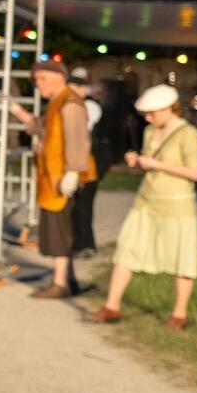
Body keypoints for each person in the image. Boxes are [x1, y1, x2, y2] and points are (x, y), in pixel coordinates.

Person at [89, 84, 197, 328]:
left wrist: (156, 165)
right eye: (146, 114)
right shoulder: (150, 132)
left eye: (152, 113)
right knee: (126, 250)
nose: (148, 119)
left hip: (176, 207)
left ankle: (179, 314)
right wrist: (138, 162)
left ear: (168, 109)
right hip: (145, 202)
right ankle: (112, 306)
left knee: (181, 259)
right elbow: (149, 164)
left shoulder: (188, 134)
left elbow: (196, 173)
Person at [9, 59, 97, 299]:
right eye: (36, 79)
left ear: (58, 78)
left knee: (60, 231)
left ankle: (60, 284)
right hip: (55, 178)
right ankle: (67, 280)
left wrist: (73, 171)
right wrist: (18, 111)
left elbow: (78, 138)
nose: (37, 83)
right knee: (61, 230)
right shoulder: (57, 103)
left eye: (42, 78)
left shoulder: (70, 103)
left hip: (63, 178)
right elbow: (42, 128)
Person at [67, 66, 113, 258]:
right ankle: (77, 243)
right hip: (80, 162)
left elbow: (82, 135)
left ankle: (86, 244)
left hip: (87, 164)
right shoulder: (76, 105)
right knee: (76, 206)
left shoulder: (89, 106)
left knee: (83, 206)